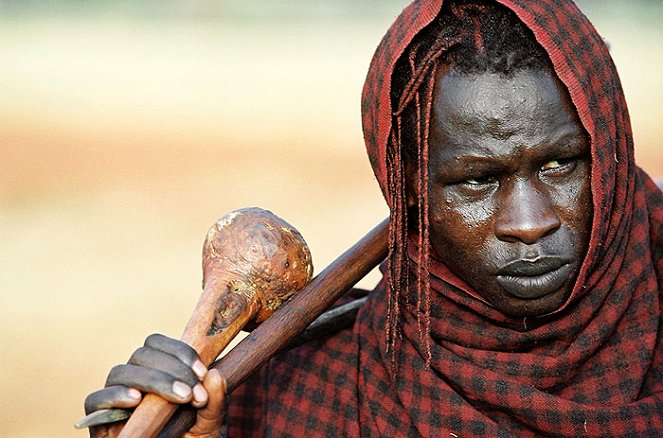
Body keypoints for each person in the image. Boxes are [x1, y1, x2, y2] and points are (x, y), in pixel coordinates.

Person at [84, 0, 663, 436]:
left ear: (610, 151)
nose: (530, 223)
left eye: (561, 164)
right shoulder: (306, 382)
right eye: (476, 180)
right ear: (407, 191)